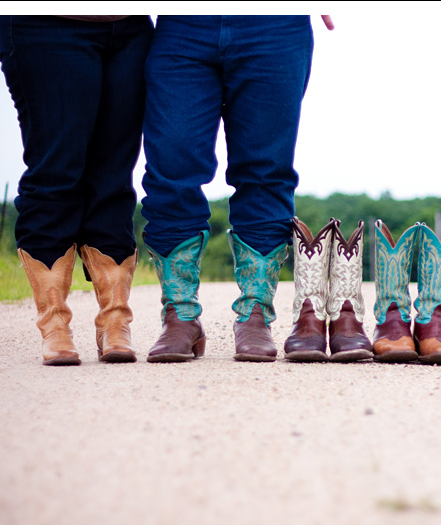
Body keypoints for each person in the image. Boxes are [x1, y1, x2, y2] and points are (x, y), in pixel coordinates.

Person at [141, 15, 333, 363]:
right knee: (171, 165)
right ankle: (179, 314)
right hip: (183, 23)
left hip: (275, 23)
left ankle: (255, 314)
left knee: (266, 170)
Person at [0, 15, 154, 365]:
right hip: (47, 25)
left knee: (114, 179)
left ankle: (115, 322)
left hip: (130, 26)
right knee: (56, 172)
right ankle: (54, 325)